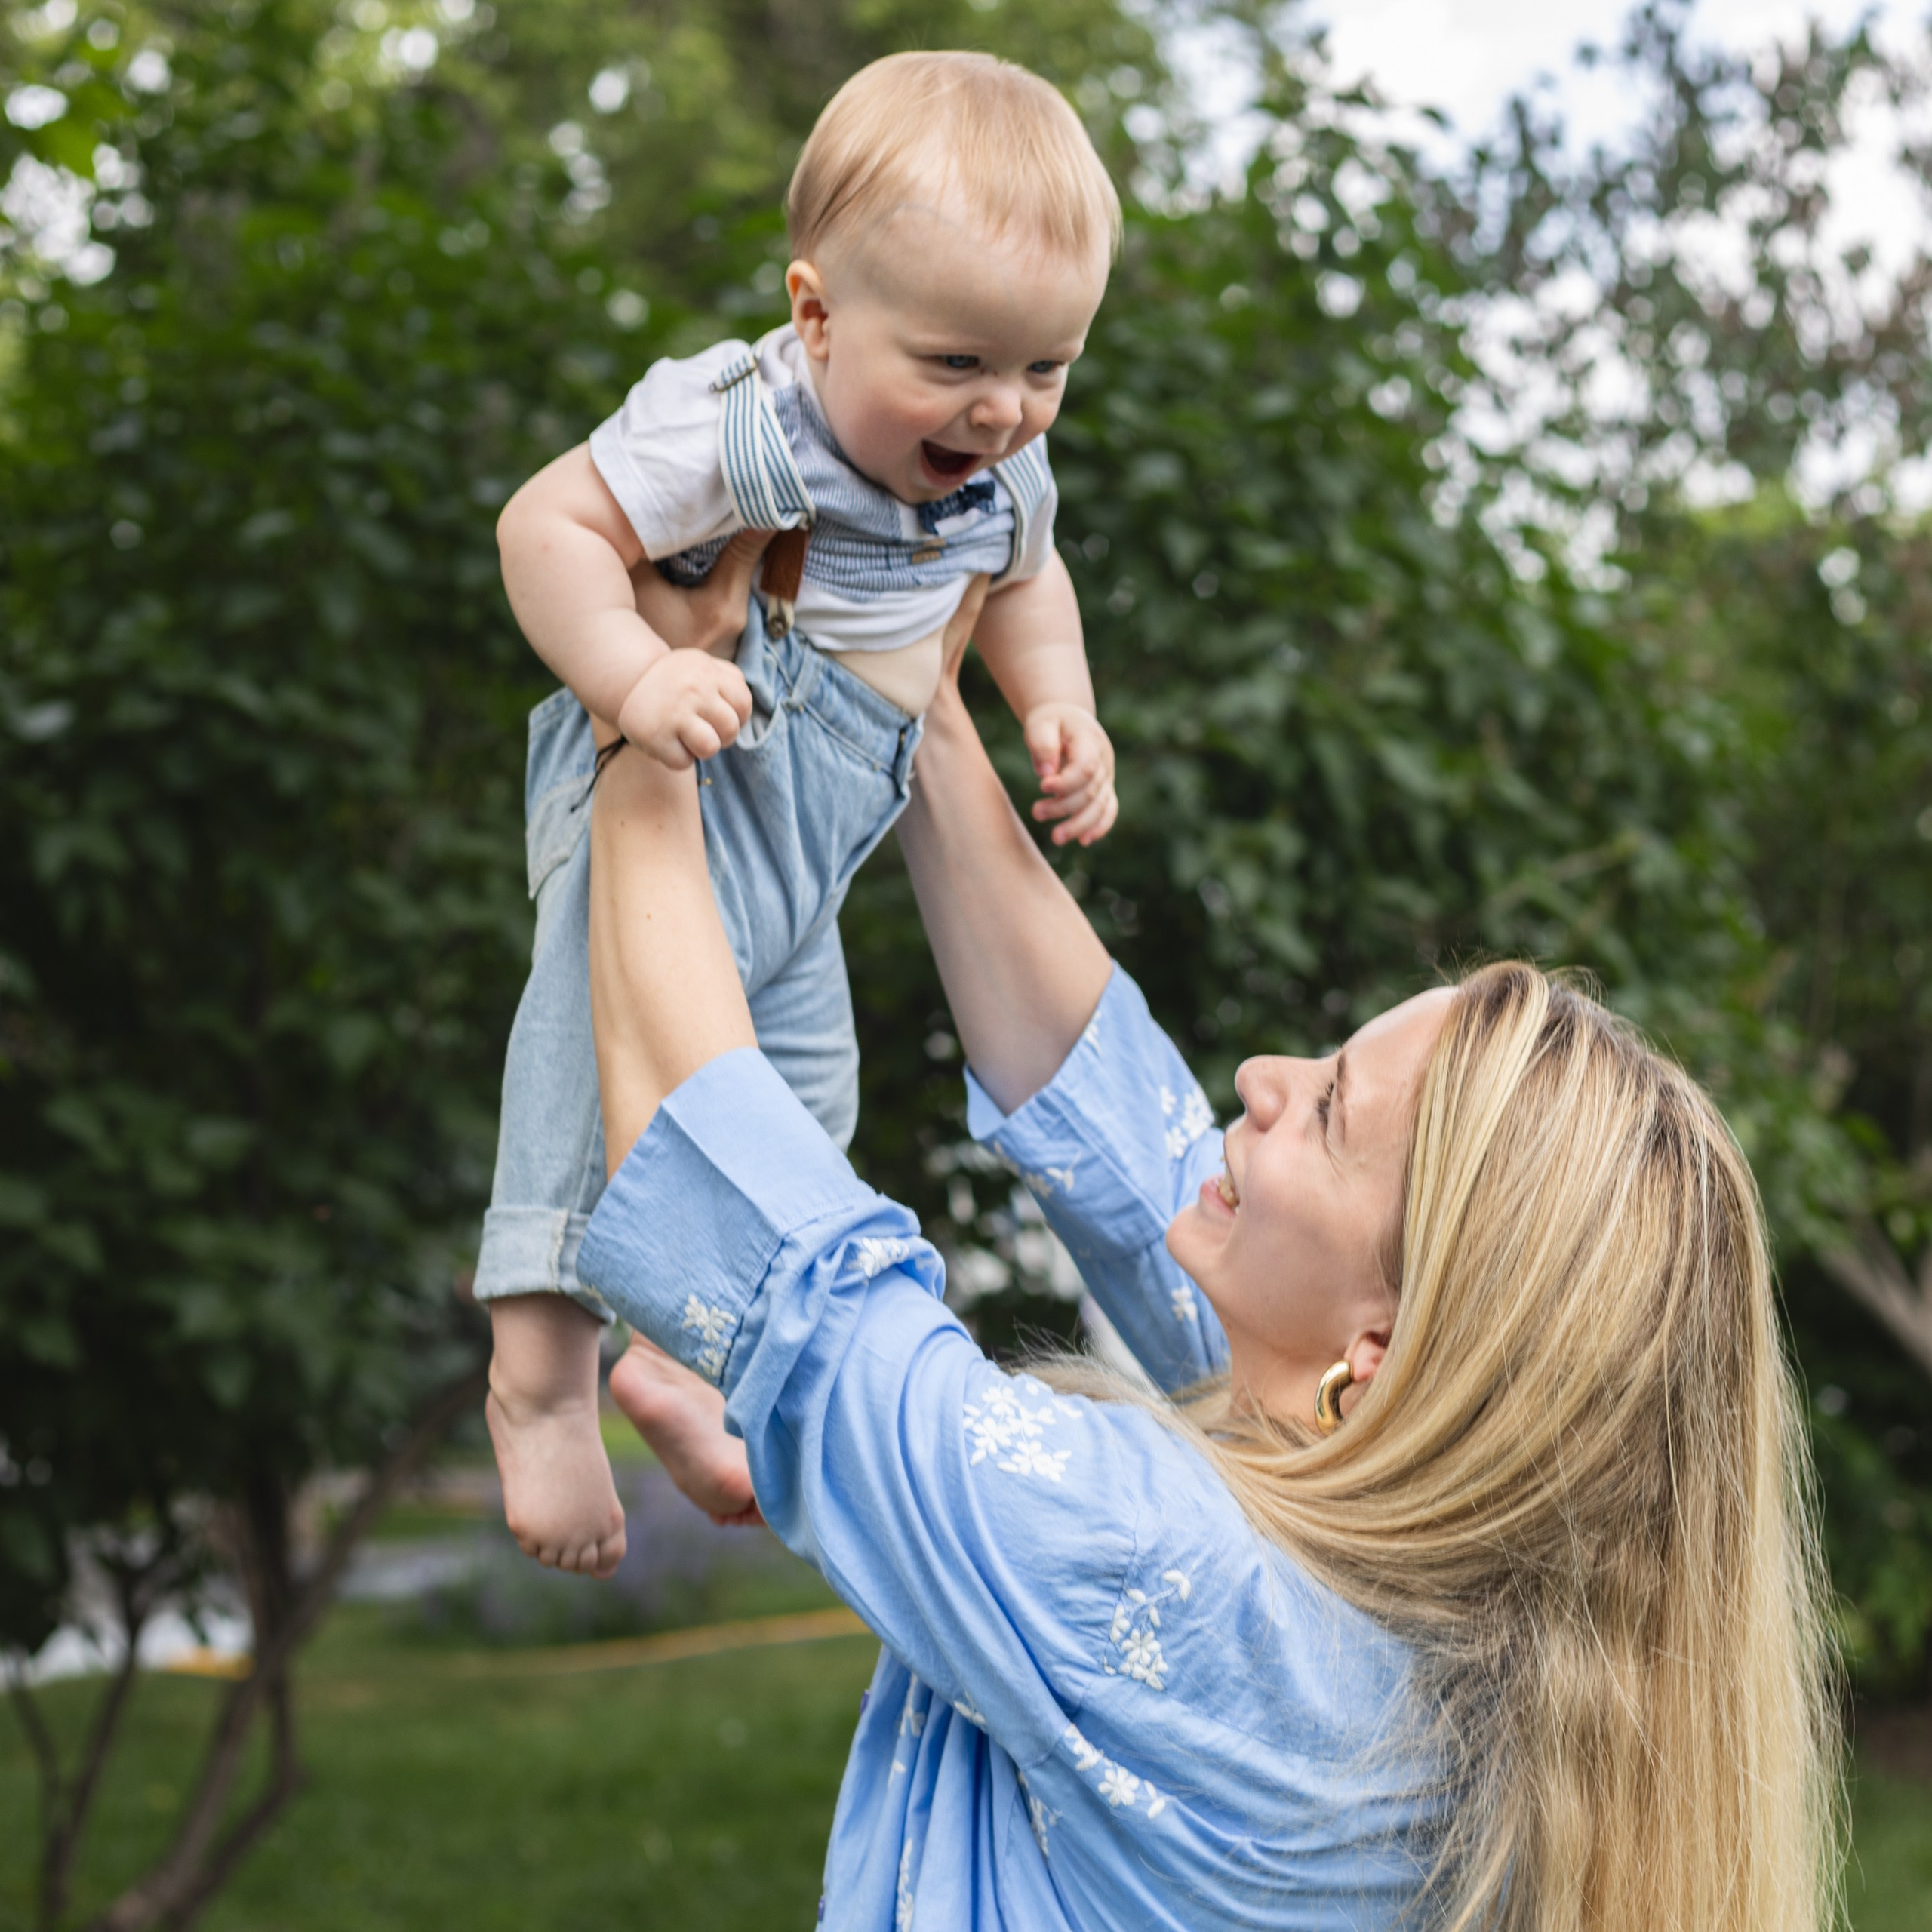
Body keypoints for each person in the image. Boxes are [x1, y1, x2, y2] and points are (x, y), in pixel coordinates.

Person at [569, 577, 1841, 1931]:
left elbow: (758, 1231)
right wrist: (921, 695)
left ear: (1384, 1352)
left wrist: (641, 702)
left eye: (1331, 1108)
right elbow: (1127, 1137)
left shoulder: (1161, 1567)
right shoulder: (1474, 1628)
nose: (1260, 1078)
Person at [476, 51, 1123, 1575]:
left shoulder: (997, 473)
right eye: (958, 363)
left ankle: (678, 1360)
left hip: (815, 844)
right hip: (694, 768)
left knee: (797, 1121)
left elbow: (1028, 577)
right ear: (816, 313)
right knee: (587, 1072)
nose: (1001, 411)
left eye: (1047, 368)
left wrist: (1059, 705)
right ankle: (539, 1378)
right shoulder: (741, 420)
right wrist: (636, 677)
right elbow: (545, 524)